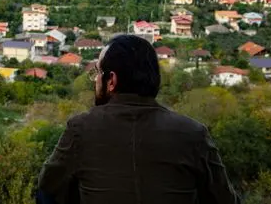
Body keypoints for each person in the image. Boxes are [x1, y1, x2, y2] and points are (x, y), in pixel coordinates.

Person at [37, 35, 241, 204]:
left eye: (98, 73)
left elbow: (48, 191)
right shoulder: (193, 133)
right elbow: (224, 199)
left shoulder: (81, 129)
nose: (95, 79)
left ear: (111, 81)